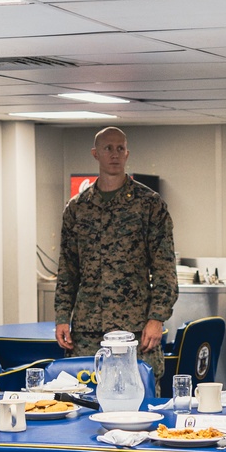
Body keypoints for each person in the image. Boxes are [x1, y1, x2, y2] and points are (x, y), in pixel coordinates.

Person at [54, 127, 178, 388]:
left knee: (140, 396)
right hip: (88, 329)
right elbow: (67, 268)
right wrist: (62, 316)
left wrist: (156, 318)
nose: (115, 154)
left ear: (127, 153)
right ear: (95, 154)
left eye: (120, 148)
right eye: (108, 148)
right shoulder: (77, 208)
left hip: (134, 328)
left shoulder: (149, 204)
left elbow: (165, 268)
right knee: (84, 396)